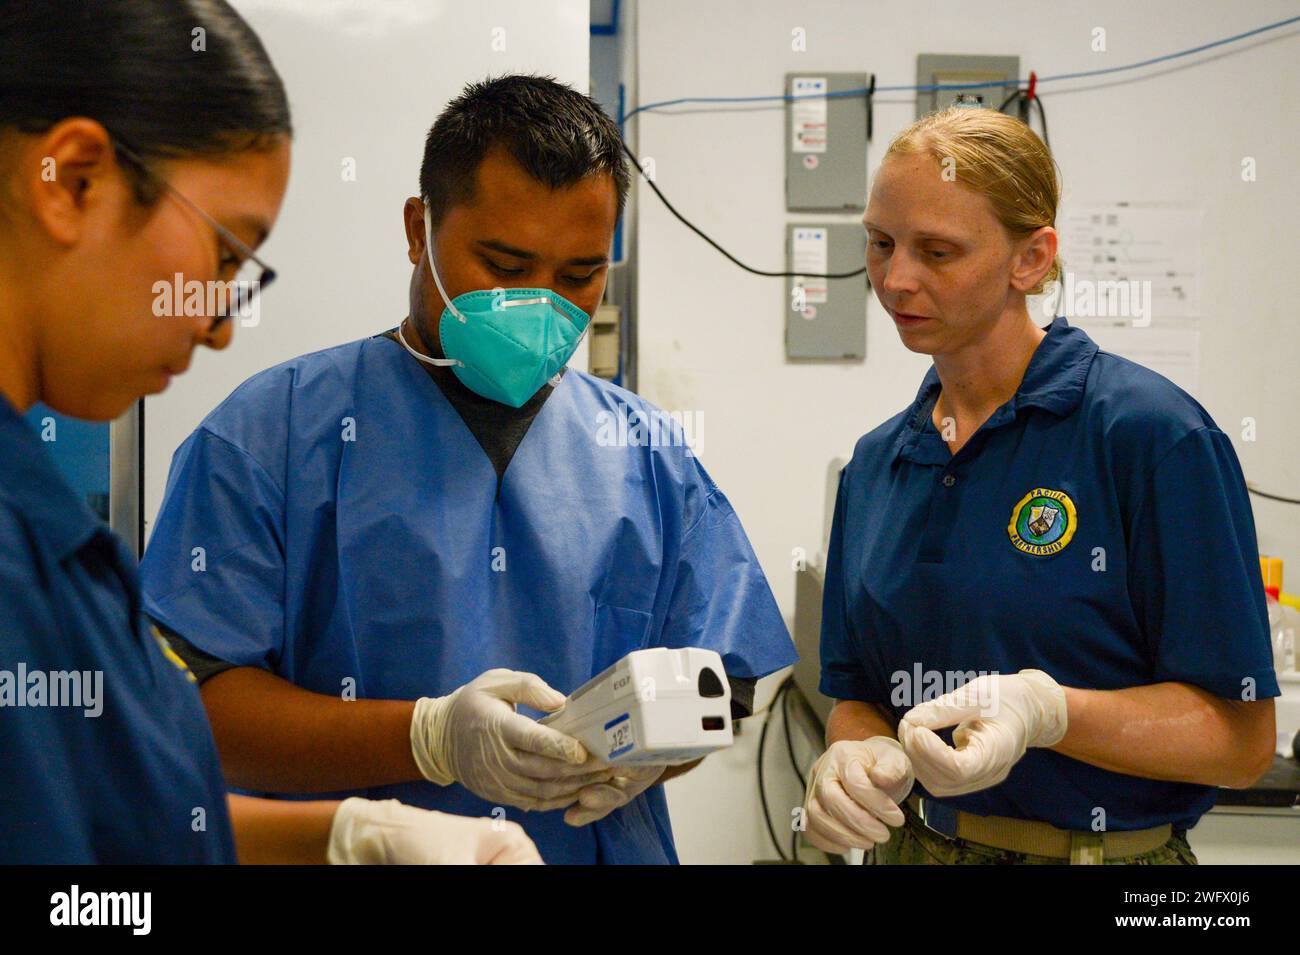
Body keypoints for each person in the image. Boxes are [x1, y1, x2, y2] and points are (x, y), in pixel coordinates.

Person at [139, 74, 796, 865]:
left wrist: (655, 750)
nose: (541, 306)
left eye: (578, 275)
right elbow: (186, 701)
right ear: (420, 230)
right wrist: (427, 738)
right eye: (504, 264)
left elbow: (723, 683)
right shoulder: (270, 436)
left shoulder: (647, 454)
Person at [0, 0, 540, 865]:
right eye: (225, 256)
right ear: (76, 181)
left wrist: (342, 835)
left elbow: (128, 821)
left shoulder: (43, 533)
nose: (218, 325)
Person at [802, 106, 1277, 865]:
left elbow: (1241, 741)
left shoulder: (1151, 437)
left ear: (1031, 259)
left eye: (938, 250)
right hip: (924, 848)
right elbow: (858, 692)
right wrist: (856, 758)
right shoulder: (879, 464)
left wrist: (1048, 712)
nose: (895, 278)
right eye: (882, 243)